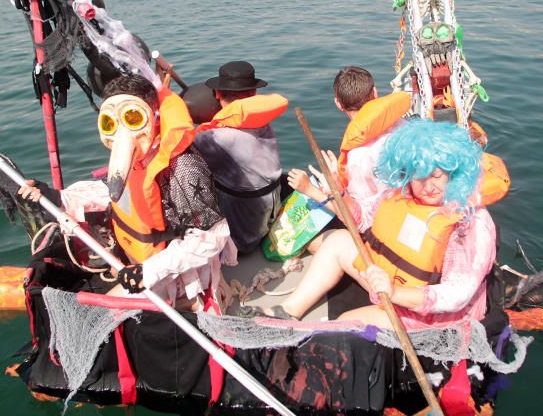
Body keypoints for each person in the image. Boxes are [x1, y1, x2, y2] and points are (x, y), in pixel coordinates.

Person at [19, 73, 236, 309]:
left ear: (154, 119)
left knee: (102, 316)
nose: (123, 134)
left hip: (177, 271)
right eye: (111, 123)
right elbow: (113, 193)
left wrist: (149, 271)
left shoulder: (183, 166)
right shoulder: (139, 158)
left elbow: (212, 237)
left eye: (133, 118)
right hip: (138, 258)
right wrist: (59, 197)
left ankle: (192, 306)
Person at [272, 120, 509, 327]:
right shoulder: (402, 192)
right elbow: (362, 221)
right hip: (387, 282)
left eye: (436, 176)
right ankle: (288, 311)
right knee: (338, 241)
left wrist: (396, 293)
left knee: (347, 322)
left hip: (434, 311)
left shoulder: (472, 220)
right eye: (419, 176)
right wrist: (337, 191)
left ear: (453, 173)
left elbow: (457, 294)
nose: (428, 187)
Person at [287, 66, 411, 234]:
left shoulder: (358, 157)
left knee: (316, 239)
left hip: (388, 232)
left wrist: (312, 190)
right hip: (411, 214)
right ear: (375, 93)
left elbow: (360, 223)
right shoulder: (406, 127)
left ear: (338, 103)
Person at [191, 61, 288, 255]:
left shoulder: (215, 138)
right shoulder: (262, 123)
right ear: (253, 94)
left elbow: (175, 149)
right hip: (266, 214)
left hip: (242, 240)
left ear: (217, 94)